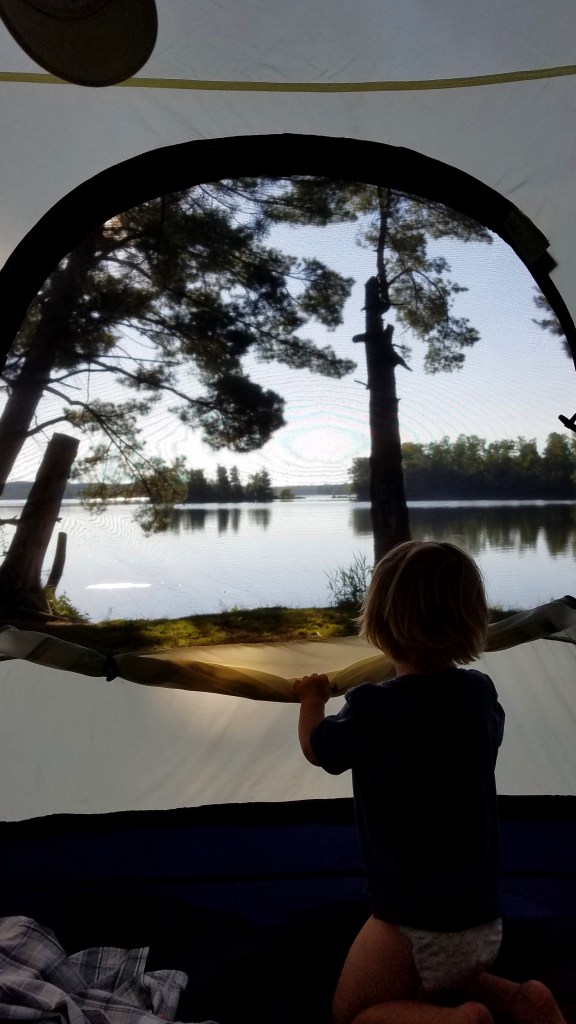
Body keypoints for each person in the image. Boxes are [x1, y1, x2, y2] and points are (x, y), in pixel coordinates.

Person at [293, 540, 566, 1024]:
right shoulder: (479, 695)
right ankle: (524, 1001)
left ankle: (461, 1021)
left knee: (353, 1012)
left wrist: (311, 698)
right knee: (442, 977)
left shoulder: (375, 706)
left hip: (411, 920)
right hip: (483, 916)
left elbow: (319, 748)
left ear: (379, 625)